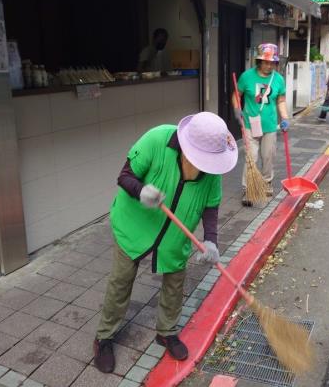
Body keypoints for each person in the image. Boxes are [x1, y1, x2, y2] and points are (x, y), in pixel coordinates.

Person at [93, 112, 238, 373]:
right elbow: (125, 176)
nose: (205, 167)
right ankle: (104, 336)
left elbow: (211, 207)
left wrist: (212, 241)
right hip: (136, 223)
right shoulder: (157, 139)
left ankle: (167, 331)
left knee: (174, 282)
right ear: (185, 147)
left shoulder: (212, 169)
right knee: (121, 280)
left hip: (175, 234)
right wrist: (141, 190)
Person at [233, 43, 290, 205]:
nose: (269, 65)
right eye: (266, 62)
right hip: (250, 124)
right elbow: (237, 95)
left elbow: (281, 100)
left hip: (270, 125)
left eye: (272, 62)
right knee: (251, 156)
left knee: (268, 157)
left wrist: (285, 118)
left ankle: (266, 183)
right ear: (259, 61)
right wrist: (237, 109)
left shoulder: (278, 79)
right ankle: (247, 189)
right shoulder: (247, 76)